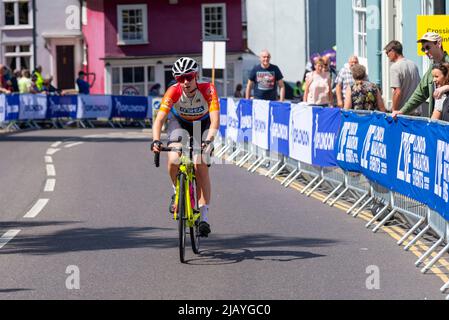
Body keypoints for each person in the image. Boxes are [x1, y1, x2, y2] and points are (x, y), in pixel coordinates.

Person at [151, 57, 220, 238]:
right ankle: (177, 192)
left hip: (201, 124)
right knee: (174, 159)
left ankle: (204, 217)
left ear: (195, 75)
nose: (186, 82)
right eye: (181, 78)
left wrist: (209, 141)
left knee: (200, 164)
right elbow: (159, 120)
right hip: (179, 122)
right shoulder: (173, 90)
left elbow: (214, 122)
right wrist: (156, 141)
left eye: (189, 77)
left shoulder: (208, 89)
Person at [393, 32, 449, 118]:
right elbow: (420, 93)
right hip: (439, 122)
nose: (425, 51)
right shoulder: (432, 68)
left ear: (438, 43)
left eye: (427, 47)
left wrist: (446, 87)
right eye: (423, 49)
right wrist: (402, 111)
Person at [384, 40, 422, 115]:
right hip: (417, 111)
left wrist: (394, 110)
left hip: (403, 113)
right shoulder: (413, 65)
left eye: (387, 52)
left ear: (393, 51)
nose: (387, 55)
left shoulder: (395, 67)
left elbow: (397, 92)